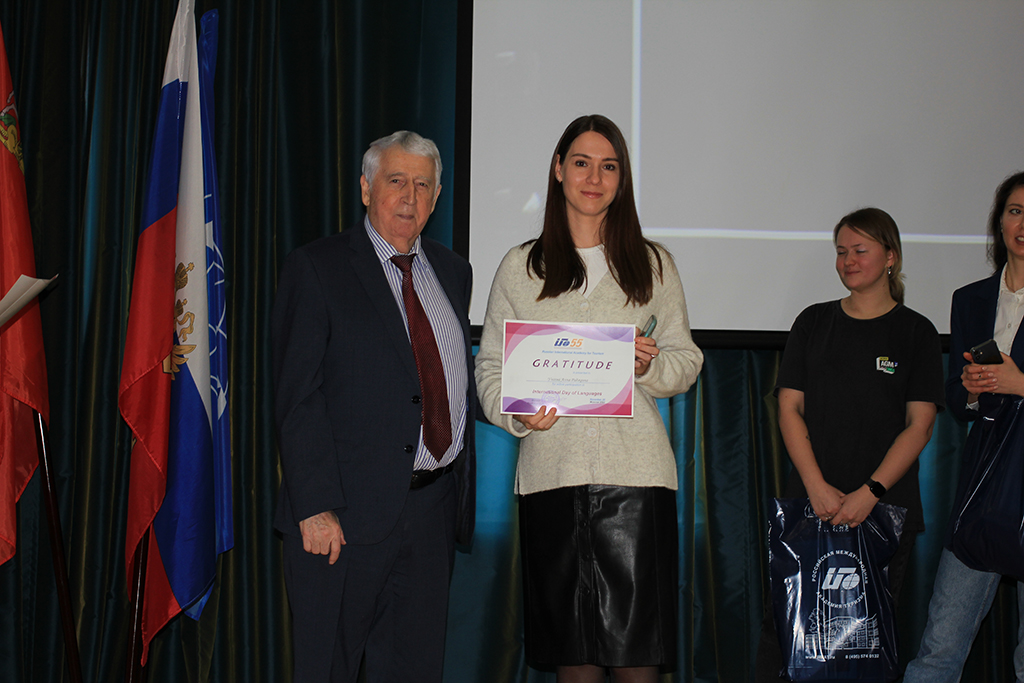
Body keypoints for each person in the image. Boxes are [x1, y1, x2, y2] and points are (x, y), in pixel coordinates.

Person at [475, 114, 703, 683]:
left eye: (609, 166)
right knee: (574, 665)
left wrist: (647, 368)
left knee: (638, 666)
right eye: (581, 163)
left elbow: (686, 360)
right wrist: (518, 412)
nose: (594, 178)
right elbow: (490, 369)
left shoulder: (653, 264)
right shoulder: (522, 266)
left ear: (621, 179)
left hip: (637, 484)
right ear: (558, 170)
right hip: (552, 481)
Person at [271, 130, 475, 683]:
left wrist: (524, 399)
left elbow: (447, 381)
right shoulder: (317, 267)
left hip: (431, 516)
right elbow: (297, 396)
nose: (410, 197)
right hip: (341, 521)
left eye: (423, 185)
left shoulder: (453, 272)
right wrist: (315, 506)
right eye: (396, 181)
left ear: (436, 197)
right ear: (366, 188)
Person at [755, 207, 944, 682]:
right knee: (787, 639)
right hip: (810, 507)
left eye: (860, 250)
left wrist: (870, 493)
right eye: (841, 252)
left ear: (890, 257)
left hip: (884, 512)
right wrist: (816, 487)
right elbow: (789, 409)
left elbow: (920, 425)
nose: (848, 261)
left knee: (862, 648)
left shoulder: (916, 331)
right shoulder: (814, 322)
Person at [903, 171, 1024, 683]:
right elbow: (955, 397)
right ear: (999, 222)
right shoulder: (970, 297)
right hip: (984, 482)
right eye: (1015, 211)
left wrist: (1021, 383)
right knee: (940, 647)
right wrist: (973, 389)